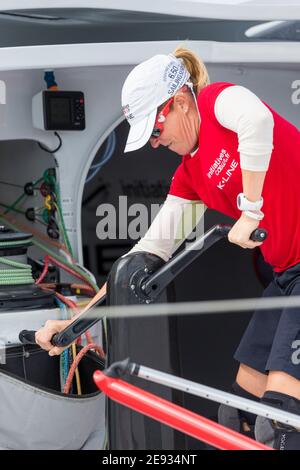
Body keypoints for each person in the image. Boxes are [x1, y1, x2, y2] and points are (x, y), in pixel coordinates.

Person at [36, 47, 300, 449]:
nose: (155, 145)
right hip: (288, 278)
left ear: (177, 102)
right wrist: (73, 328)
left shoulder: (217, 102)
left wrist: (250, 209)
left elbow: (257, 121)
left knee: (282, 424)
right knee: (238, 416)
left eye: (155, 132)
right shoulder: (189, 177)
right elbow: (145, 255)